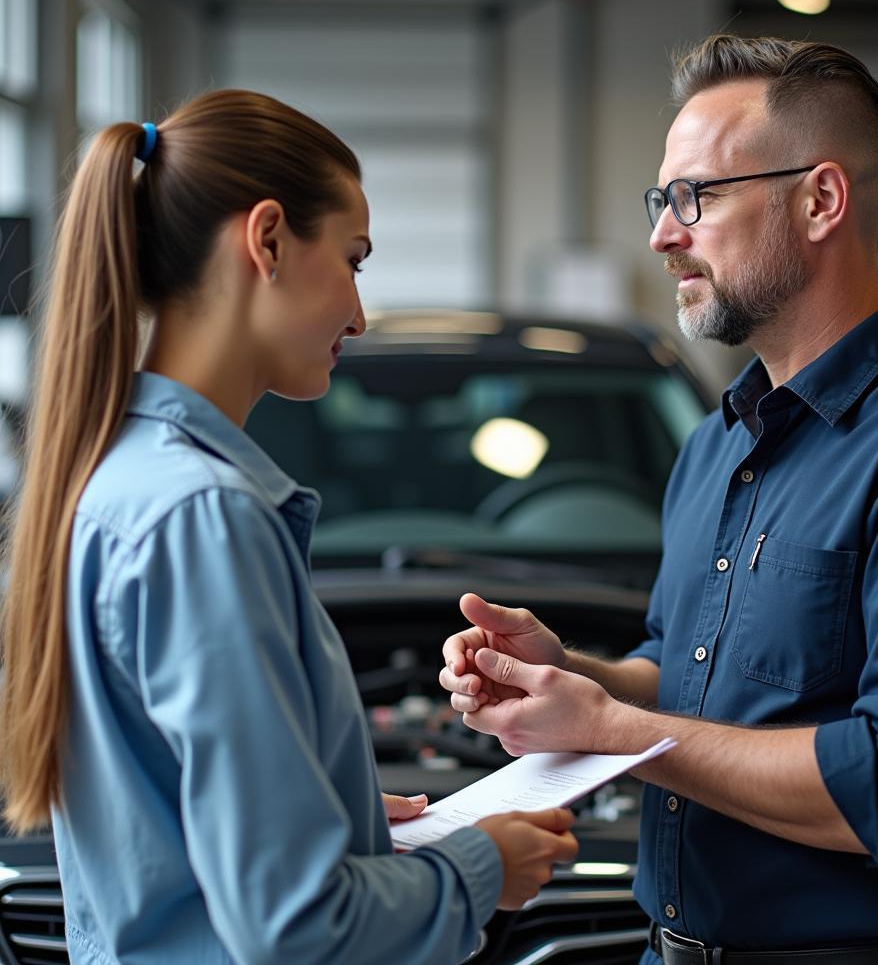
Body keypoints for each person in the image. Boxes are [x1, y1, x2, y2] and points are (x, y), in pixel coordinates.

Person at [440, 35, 878, 964]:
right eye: (660, 200)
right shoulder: (719, 443)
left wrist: (615, 729)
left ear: (820, 200)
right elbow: (688, 670)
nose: (662, 234)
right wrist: (575, 677)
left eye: (695, 197)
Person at [0, 89, 578, 965]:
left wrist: (329, 810)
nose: (358, 314)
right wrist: (478, 866)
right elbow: (294, 923)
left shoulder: (121, 480)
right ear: (266, 239)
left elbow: (168, 830)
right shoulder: (206, 519)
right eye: (352, 259)